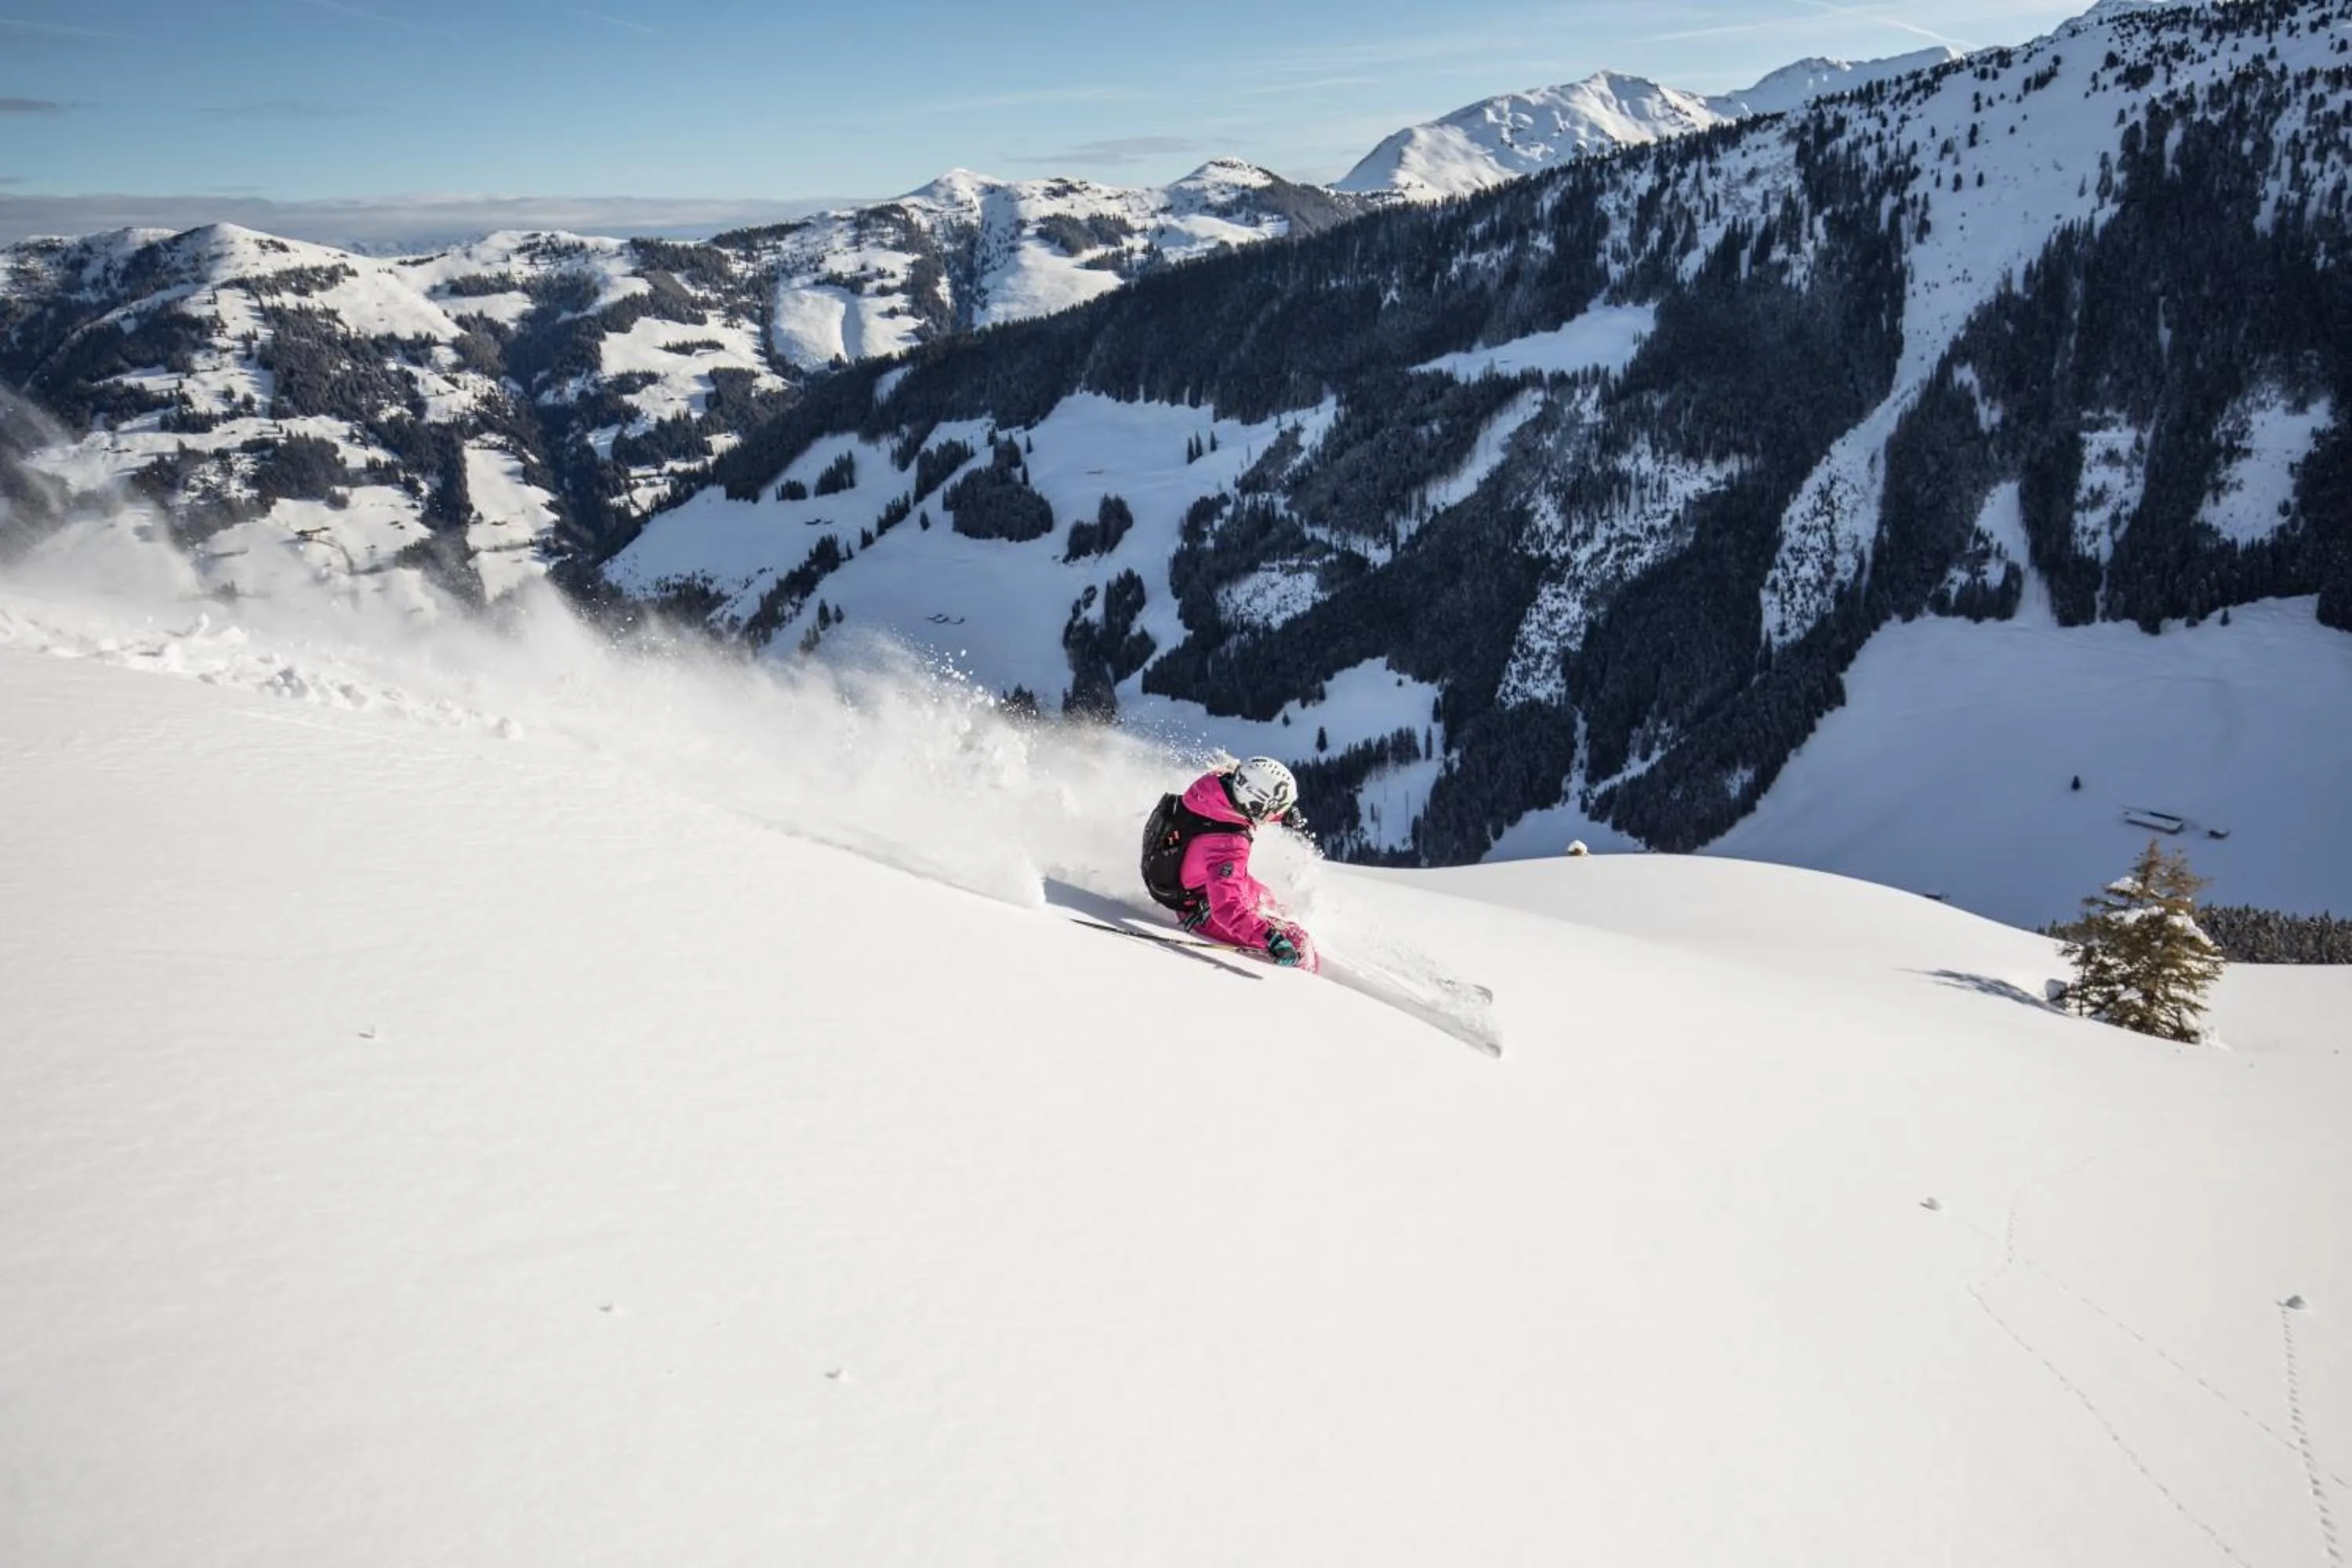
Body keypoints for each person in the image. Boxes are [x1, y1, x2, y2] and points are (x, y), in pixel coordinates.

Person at [1139, 757, 1316, 970]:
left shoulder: (1213, 787)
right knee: (1300, 943)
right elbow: (1227, 908)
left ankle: (1270, 919)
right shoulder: (1229, 846)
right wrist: (1270, 939)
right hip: (1201, 909)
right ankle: (1300, 984)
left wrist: (1282, 814)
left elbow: (1249, 801)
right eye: (1275, 808)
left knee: (1269, 899)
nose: (1275, 813)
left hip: (1191, 874)